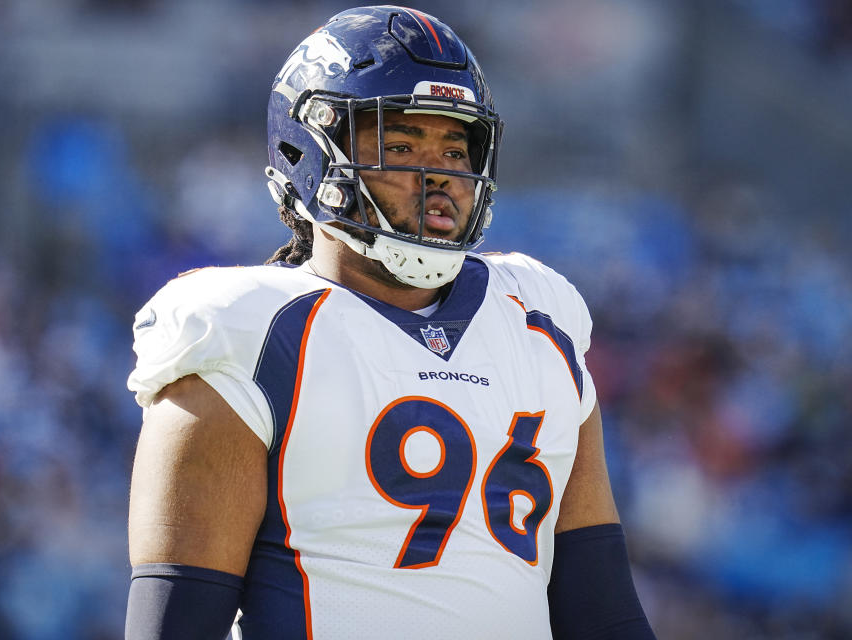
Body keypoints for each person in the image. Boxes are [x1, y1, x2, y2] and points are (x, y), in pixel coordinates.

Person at [124, 6, 656, 639]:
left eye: (456, 149)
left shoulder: (538, 316)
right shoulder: (249, 332)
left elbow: (602, 609)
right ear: (308, 153)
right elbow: (174, 623)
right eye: (401, 145)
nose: (440, 178)